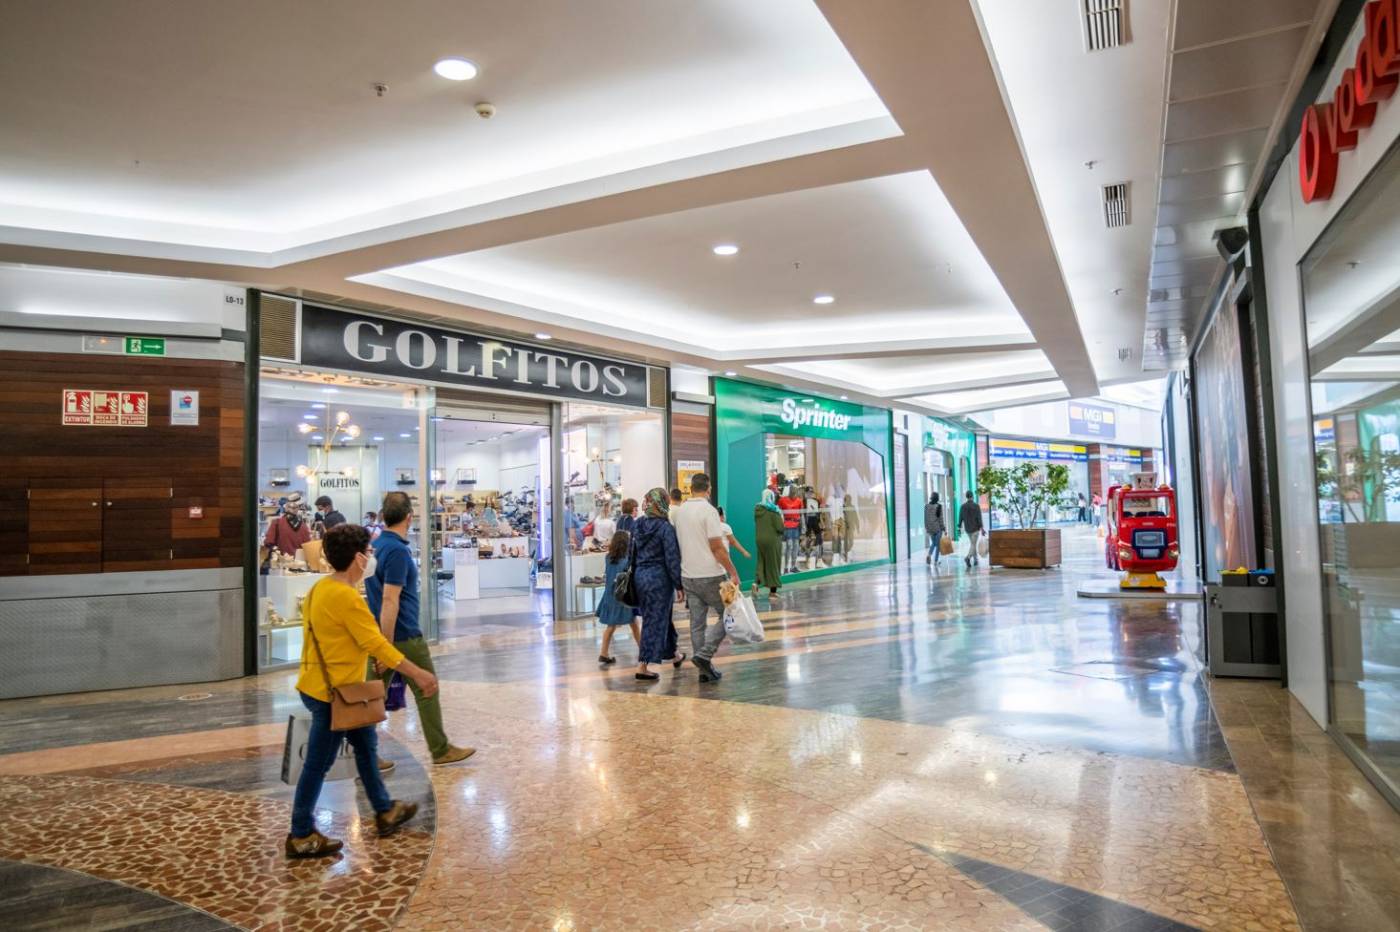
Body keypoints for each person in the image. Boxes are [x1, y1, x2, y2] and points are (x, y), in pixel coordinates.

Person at [286, 523, 439, 859]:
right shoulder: (347, 598)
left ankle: (385, 810)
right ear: (357, 558)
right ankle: (300, 832)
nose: (371, 557)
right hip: (335, 694)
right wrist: (419, 674)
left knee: (367, 748)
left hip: (325, 686)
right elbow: (376, 644)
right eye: (368, 552)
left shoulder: (319, 589)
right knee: (317, 763)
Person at [365, 492, 475, 767]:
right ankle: (440, 750)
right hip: (401, 636)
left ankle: (365, 754)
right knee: (427, 686)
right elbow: (391, 599)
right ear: (408, 517)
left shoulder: (376, 546)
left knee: (371, 695)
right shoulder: (399, 552)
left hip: (382, 635)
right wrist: (386, 646)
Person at [673, 473, 741, 684]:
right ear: (708, 489)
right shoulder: (709, 511)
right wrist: (733, 571)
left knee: (697, 624)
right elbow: (717, 547)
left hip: (688, 575)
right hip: (712, 575)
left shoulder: (681, 511)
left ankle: (704, 671)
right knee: (729, 613)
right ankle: (705, 655)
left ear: (691, 488)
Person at [633, 488, 686, 681]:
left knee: (661, 616)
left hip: (640, 577)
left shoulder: (638, 524)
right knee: (653, 621)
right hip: (659, 580)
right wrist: (679, 585)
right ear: (663, 503)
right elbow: (672, 558)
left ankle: (675, 655)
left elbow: (633, 553)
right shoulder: (665, 528)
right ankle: (643, 665)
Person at [595, 530, 642, 665]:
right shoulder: (627, 560)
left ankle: (604, 653)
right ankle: (643, 650)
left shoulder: (608, 557)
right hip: (624, 596)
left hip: (610, 595)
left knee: (611, 626)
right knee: (634, 624)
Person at [753, 489, 784, 598]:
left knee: (761, 562)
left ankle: (756, 583)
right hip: (772, 540)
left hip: (759, 539)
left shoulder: (757, 510)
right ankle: (773, 592)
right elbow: (780, 528)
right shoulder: (774, 511)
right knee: (773, 564)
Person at [264, 494, 311, 558]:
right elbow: (308, 547)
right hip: (299, 563)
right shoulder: (304, 526)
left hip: (282, 562)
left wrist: (276, 551)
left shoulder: (277, 523)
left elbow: (268, 543)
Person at [777, 485, 804, 573]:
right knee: (789, 546)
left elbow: (802, 514)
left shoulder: (799, 501)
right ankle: (785, 567)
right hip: (787, 525)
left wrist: (803, 526)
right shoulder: (783, 500)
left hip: (796, 525)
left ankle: (793, 566)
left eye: (795, 491)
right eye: (793, 491)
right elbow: (778, 512)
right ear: (790, 491)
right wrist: (780, 524)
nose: (794, 493)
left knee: (796, 546)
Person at [959, 490, 984, 568]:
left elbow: (960, 517)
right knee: (973, 545)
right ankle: (968, 558)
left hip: (968, 529)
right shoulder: (976, 506)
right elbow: (979, 518)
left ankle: (976, 560)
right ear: (972, 496)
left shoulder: (962, 506)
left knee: (973, 544)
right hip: (975, 529)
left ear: (966, 496)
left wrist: (959, 526)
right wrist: (982, 527)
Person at [924, 492, 945, 566]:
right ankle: (934, 559)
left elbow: (925, 518)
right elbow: (940, 519)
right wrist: (943, 528)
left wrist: (927, 528)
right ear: (937, 498)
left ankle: (931, 557)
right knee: (937, 544)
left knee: (934, 543)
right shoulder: (939, 506)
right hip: (937, 528)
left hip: (930, 529)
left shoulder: (926, 506)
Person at [841, 494, 859, 562]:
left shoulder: (852, 507)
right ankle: (845, 554)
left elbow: (856, 517)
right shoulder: (843, 507)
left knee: (851, 542)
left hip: (851, 527)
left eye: (849, 499)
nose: (848, 500)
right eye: (847, 499)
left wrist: (858, 527)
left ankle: (846, 552)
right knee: (846, 541)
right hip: (845, 527)